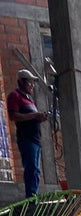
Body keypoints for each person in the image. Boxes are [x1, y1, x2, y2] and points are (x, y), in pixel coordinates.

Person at [6, 69, 48, 198]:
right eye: (30, 82)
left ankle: (33, 195)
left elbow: (31, 116)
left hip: (35, 139)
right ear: (22, 82)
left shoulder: (29, 100)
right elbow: (14, 116)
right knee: (31, 168)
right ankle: (31, 198)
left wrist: (39, 117)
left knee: (36, 170)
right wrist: (35, 115)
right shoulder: (15, 96)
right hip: (27, 138)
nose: (32, 86)